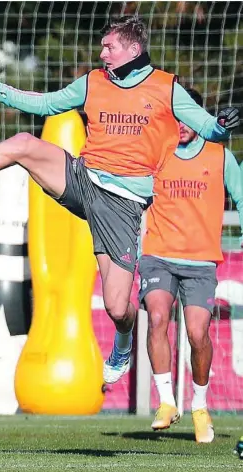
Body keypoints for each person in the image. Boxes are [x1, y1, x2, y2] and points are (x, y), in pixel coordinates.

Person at [0, 16, 240, 385]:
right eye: (102, 45)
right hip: (83, 179)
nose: (102, 52)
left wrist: (223, 122)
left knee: (118, 307)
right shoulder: (94, 82)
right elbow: (48, 104)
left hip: (122, 207)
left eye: (109, 46)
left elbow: (209, 128)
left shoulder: (166, 88)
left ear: (133, 50)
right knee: (23, 143)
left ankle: (122, 343)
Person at [140, 88, 243, 443]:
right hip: (158, 253)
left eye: (187, 116)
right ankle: (166, 401)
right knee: (156, 318)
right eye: (174, 116)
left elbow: (241, 195)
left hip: (200, 261)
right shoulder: (155, 154)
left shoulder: (220, 156)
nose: (180, 124)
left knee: (198, 334)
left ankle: (199, 405)